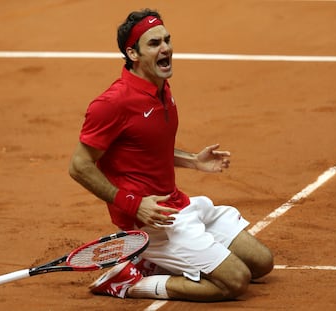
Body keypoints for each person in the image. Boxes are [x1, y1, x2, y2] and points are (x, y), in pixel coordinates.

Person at [69, 8, 273, 302]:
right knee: (236, 281)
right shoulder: (112, 103)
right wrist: (134, 205)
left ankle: (152, 263)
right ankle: (129, 284)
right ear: (133, 53)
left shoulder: (160, 87)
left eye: (167, 40)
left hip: (179, 204)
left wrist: (193, 161)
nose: (166, 48)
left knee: (262, 263)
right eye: (154, 44)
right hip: (152, 222)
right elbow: (79, 166)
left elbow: (147, 148)